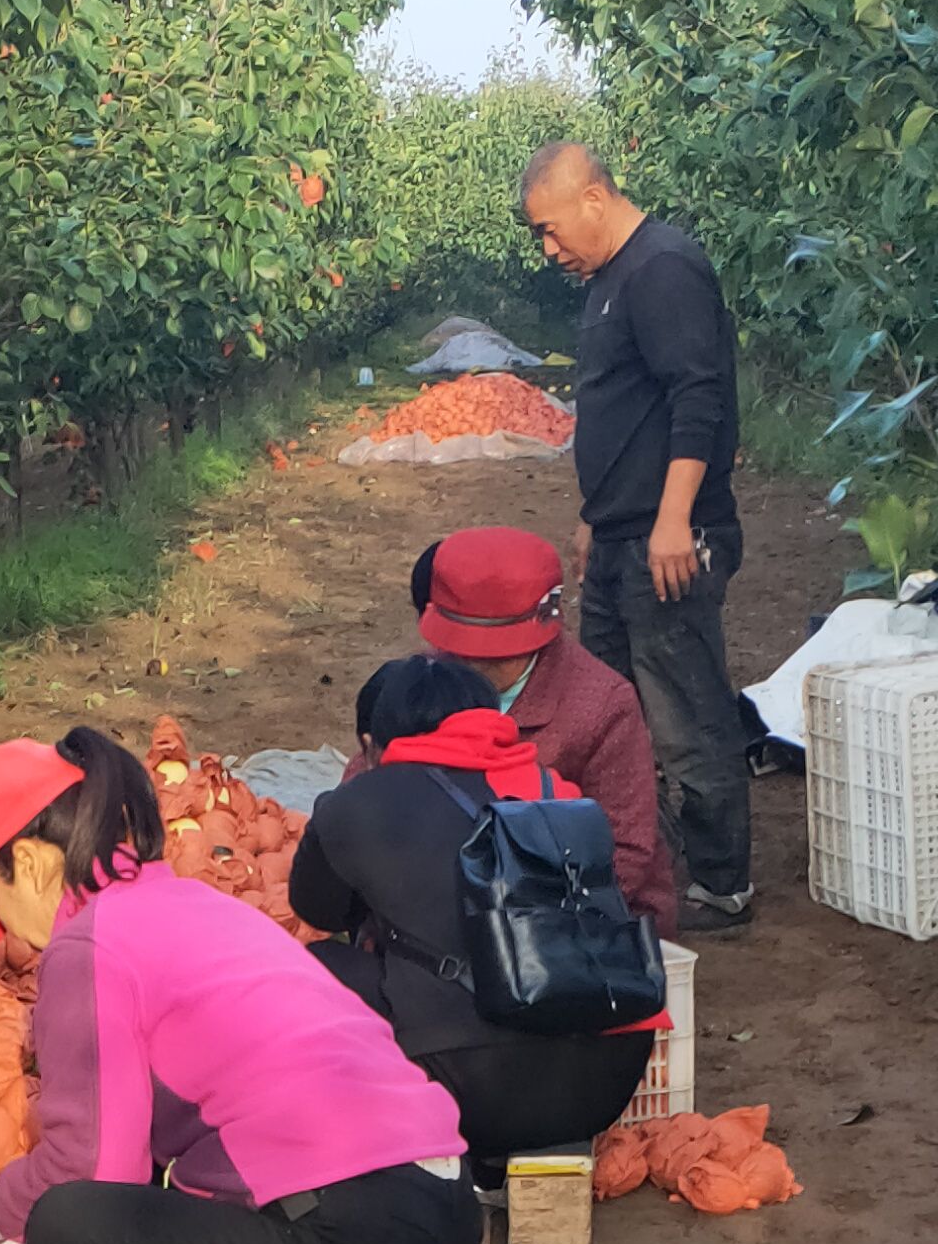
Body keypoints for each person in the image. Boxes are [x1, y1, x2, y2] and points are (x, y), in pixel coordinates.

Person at [0, 730, 482, 1244]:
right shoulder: (194, 903)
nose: (10, 932)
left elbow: (93, 1167)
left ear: (29, 865)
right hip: (446, 1215)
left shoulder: (88, 944)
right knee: (149, 1199)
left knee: (67, 1224)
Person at [292, 657, 662, 1180]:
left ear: (373, 744)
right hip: (606, 1081)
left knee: (313, 969)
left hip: (472, 1091)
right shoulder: (558, 791)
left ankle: (397, 1149)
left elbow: (316, 908)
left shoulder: (356, 802)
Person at [519, 139, 751, 935]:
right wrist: (597, 516)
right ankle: (633, 867)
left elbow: (698, 397)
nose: (549, 250)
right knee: (608, 714)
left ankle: (721, 882)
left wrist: (674, 519)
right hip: (623, 533)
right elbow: (626, 413)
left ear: (593, 197)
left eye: (551, 230)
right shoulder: (610, 279)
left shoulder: (662, 268)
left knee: (684, 710)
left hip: (669, 537)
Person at [398, 525, 673, 932]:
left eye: (494, 656)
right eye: (461, 651)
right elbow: (369, 781)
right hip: (443, 898)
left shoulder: (604, 705)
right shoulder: (425, 677)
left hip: (570, 918)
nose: (473, 666)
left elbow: (626, 852)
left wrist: (509, 921)